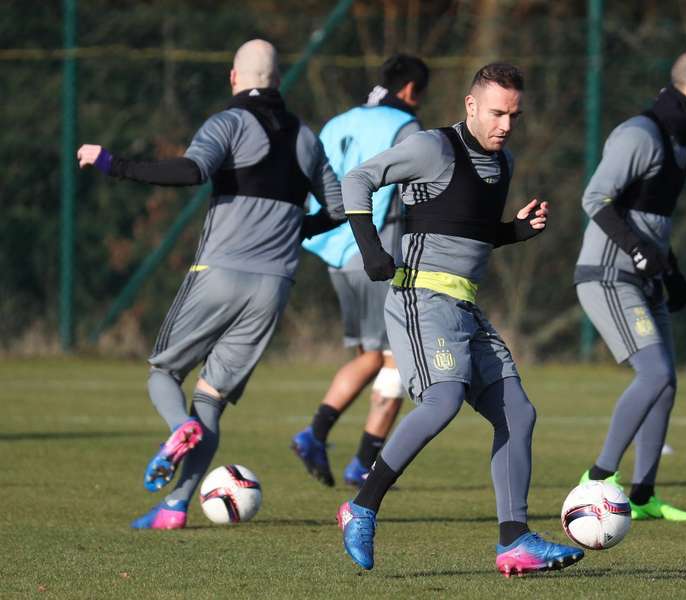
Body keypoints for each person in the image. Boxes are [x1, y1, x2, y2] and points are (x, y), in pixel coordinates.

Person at [76, 39, 345, 529]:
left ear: (233, 78)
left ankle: (179, 430)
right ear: (278, 80)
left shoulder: (228, 122)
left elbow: (191, 170)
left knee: (163, 372)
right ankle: (175, 508)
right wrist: (295, 229)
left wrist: (115, 164)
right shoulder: (307, 136)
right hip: (274, 287)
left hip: (220, 273)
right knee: (212, 399)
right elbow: (338, 207)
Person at [334, 63, 584, 576]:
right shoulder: (432, 147)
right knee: (443, 398)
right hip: (420, 298)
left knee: (518, 412)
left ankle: (514, 541)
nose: (506, 124)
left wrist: (513, 232)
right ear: (471, 106)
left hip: (466, 306)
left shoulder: (503, 163)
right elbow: (358, 178)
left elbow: (467, 232)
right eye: (497, 112)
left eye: (514, 114)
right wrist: (370, 248)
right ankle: (360, 507)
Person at [573, 50, 686, 521]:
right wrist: (638, 251)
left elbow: (652, 220)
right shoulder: (639, 134)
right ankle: (597, 479)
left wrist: (671, 268)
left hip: (644, 277)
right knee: (654, 373)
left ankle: (642, 497)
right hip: (608, 275)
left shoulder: (681, 141)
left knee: (666, 384)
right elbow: (594, 198)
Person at [291, 55, 429, 488]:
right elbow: (420, 192)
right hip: (379, 252)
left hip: (336, 251)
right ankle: (364, 460)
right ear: (410, 90)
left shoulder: (338, 122)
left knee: (370, 354)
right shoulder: (405, 128)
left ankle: (315, 435)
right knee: (400, 359)